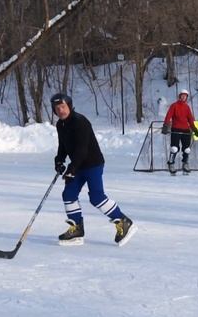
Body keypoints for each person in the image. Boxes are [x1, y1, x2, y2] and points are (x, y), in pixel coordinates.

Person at [51, 93, 137, 246]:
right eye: (57, 108)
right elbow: (63, 145)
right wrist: (59, 160)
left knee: (96, 197)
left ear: (69, 106)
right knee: (69, 194)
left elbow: (82, 149)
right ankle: (77, 229)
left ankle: (124, 222)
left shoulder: (80, 122)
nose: (61, 111)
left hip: (92, 164)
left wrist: (72, 169)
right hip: (78, 165)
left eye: (63, 107)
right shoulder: (60, 125)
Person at [161, 89, 198, 174]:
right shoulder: (174, 105)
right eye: (182, 95)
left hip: (186, 130)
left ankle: (185, 164)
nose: (184, 97)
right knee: (174, 148)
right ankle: (171, 164)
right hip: (176, 129)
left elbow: (190, 120)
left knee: (187, 149)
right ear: (179, 96)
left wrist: (195, 130)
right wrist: (165, 126)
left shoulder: (187, 107)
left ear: (187, 97)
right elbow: (168, 116)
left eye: (185, 96)